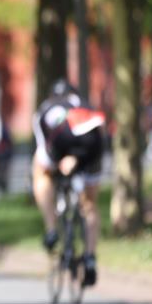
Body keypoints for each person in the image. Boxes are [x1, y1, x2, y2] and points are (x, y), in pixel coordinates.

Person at [32, 79, 105, 286]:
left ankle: (51, 228)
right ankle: (90, 257)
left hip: (61, 139)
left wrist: (59, 163)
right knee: (89, 204)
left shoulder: (45, 109)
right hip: (93, 142)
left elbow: (43, 147)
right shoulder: (85, 103)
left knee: (41, 173)